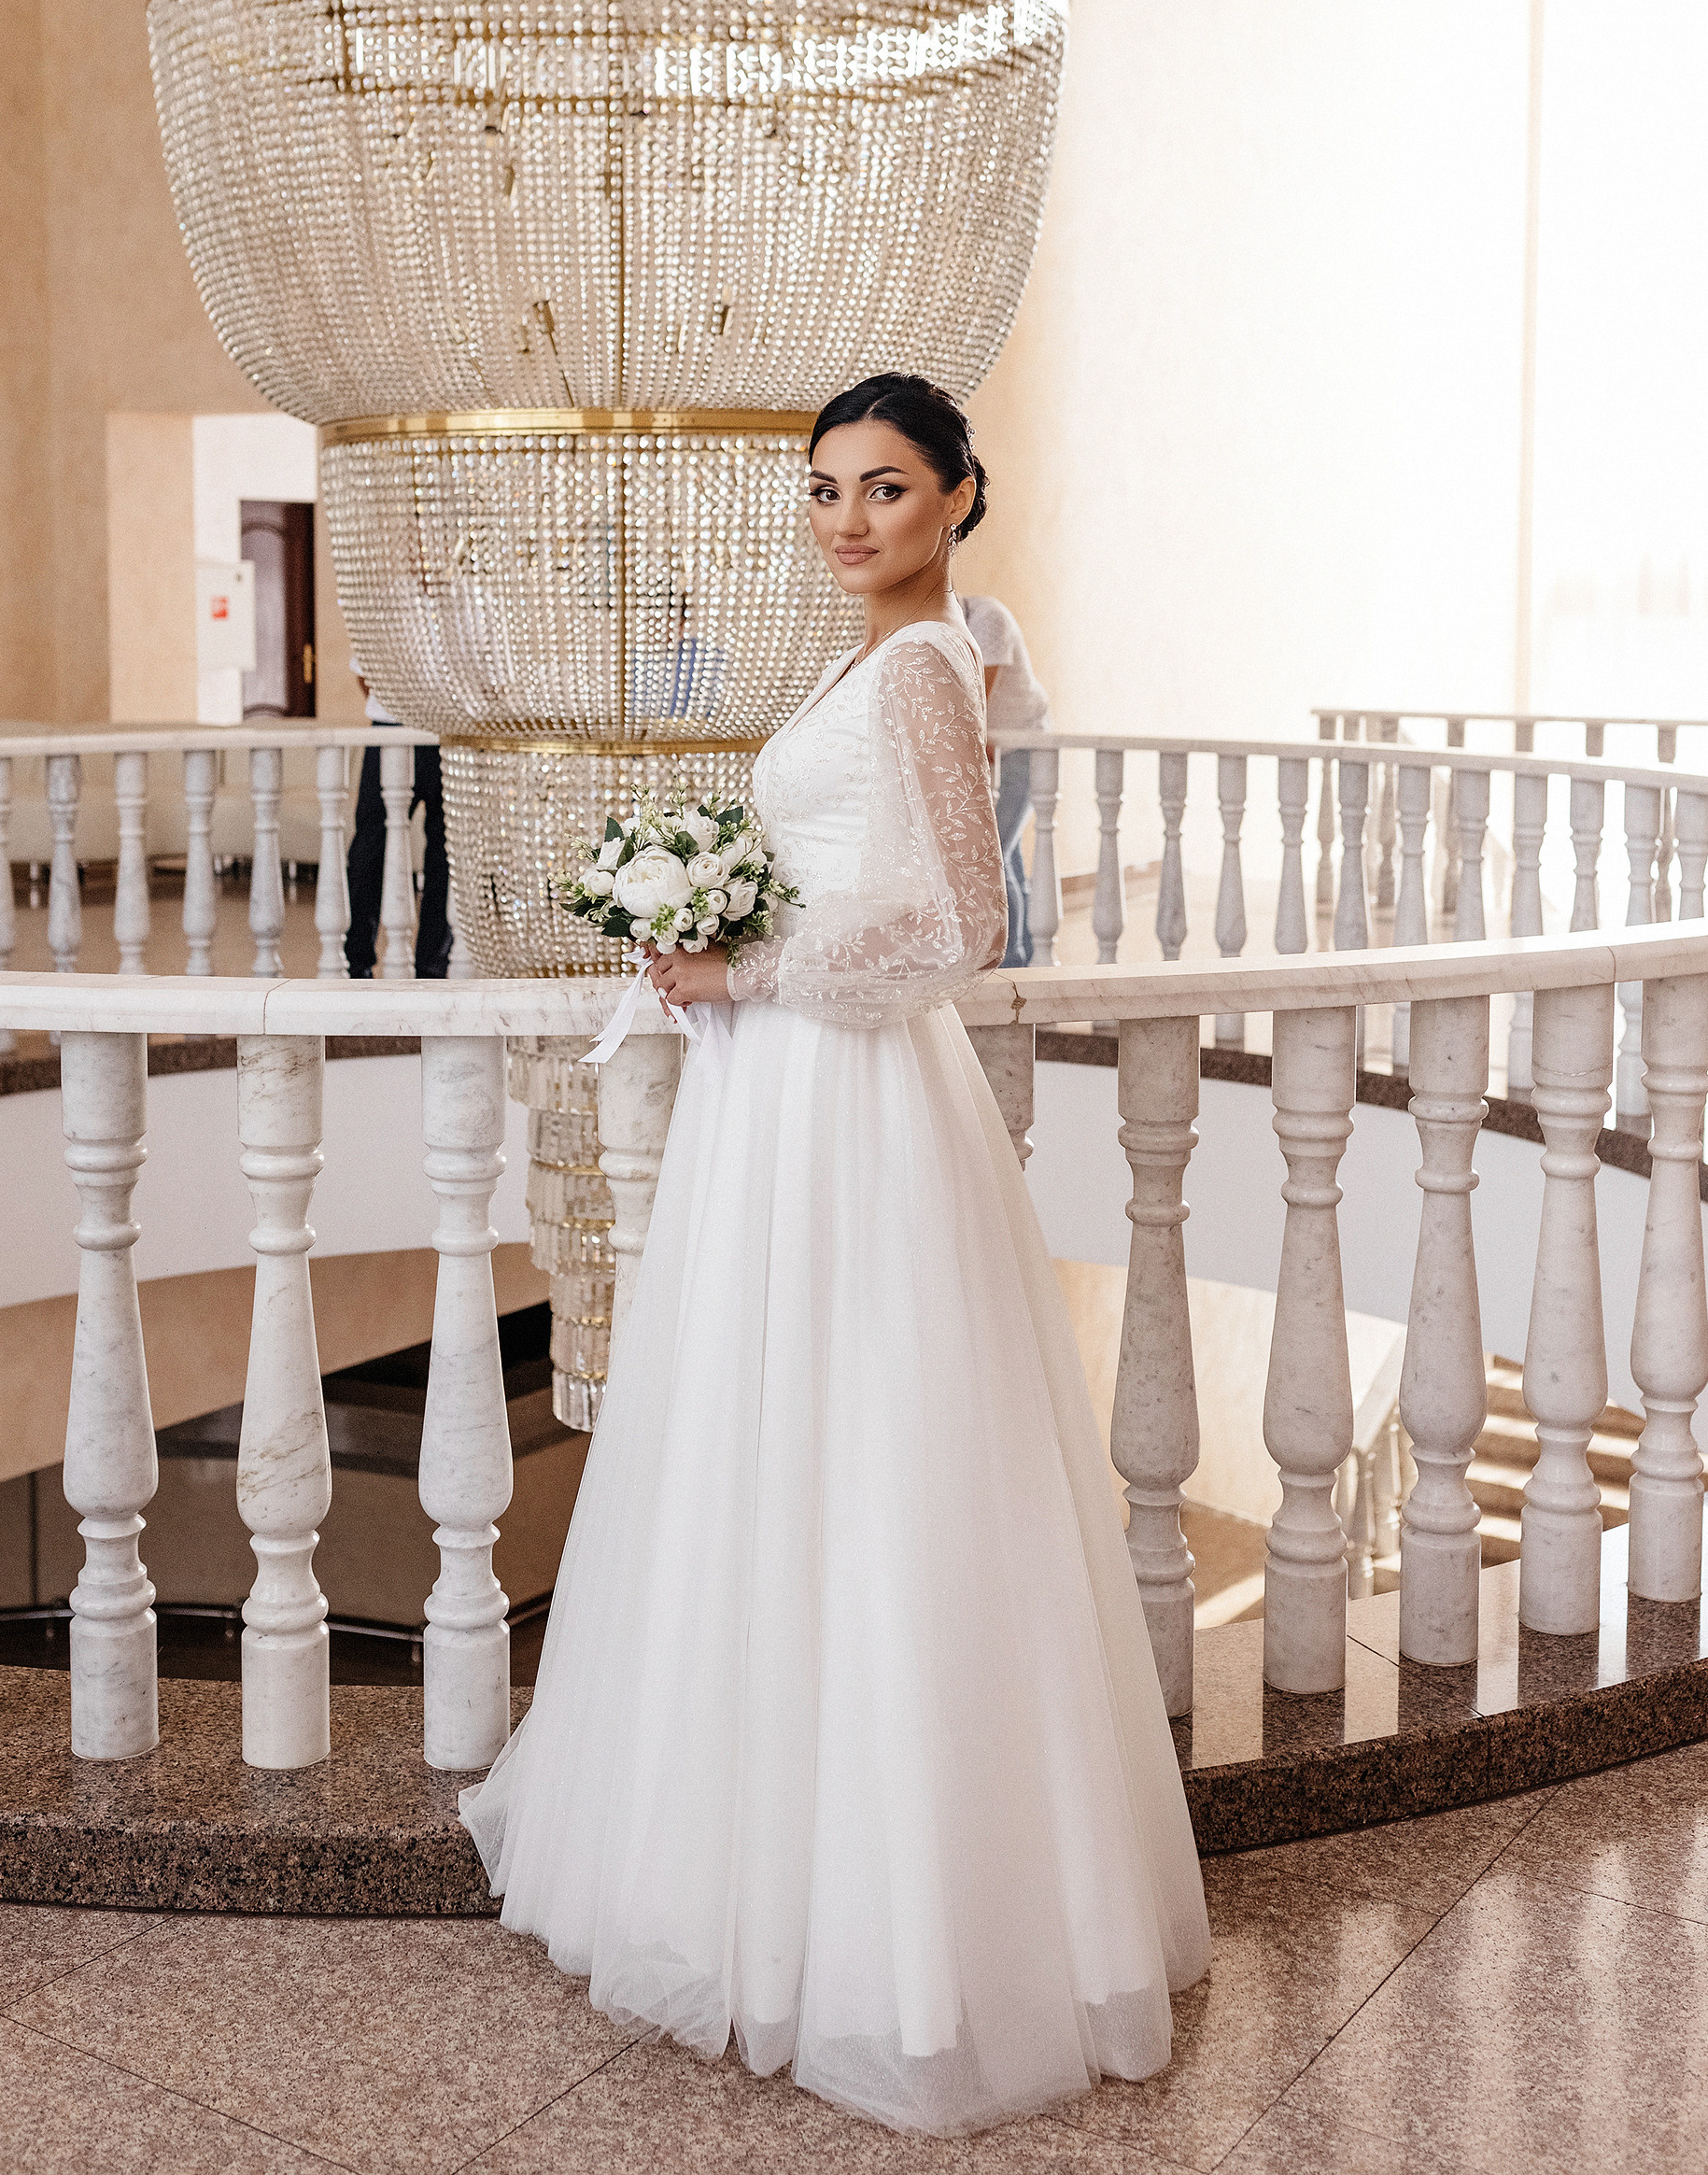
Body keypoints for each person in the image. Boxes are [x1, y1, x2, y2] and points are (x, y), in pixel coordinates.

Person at [460, 373, 1209, 2135]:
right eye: (824, 492)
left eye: (884, 488)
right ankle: (747, 1873)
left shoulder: (932, 668)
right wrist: (714, 924)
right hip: (786, 1101)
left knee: (874, 1461)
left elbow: (964, 917)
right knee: (768, 1456)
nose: (849, 520)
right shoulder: (878, 667)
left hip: (851, 1101)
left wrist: (743, 966)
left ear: (958, 496)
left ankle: (896, 1943)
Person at [345, 663, 452, 980]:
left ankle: (433, 966)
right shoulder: (384, 612)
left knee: (447, 856)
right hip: (391, 727)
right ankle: (357, 961)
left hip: (452, 731)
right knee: (368, 849)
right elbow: (364, 671)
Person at [959, 590, 1050, 968]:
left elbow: (972, 703)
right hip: (996, 751)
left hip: (1025, 749)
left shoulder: (988, 618)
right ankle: (1029, 957)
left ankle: (1010, 965)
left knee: (992, 857)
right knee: (1007, 857)